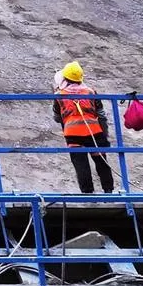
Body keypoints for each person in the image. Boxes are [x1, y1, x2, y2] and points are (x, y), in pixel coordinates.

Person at [53, 61, 115, 194]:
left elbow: (57, 117)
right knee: (101, 161)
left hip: (72, 134)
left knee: (81, 164)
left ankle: (87, 193)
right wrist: (104, 134)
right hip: (94, 131)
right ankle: (108, 190)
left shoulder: (59, 95)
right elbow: (101, 115)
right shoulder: (91, 92)